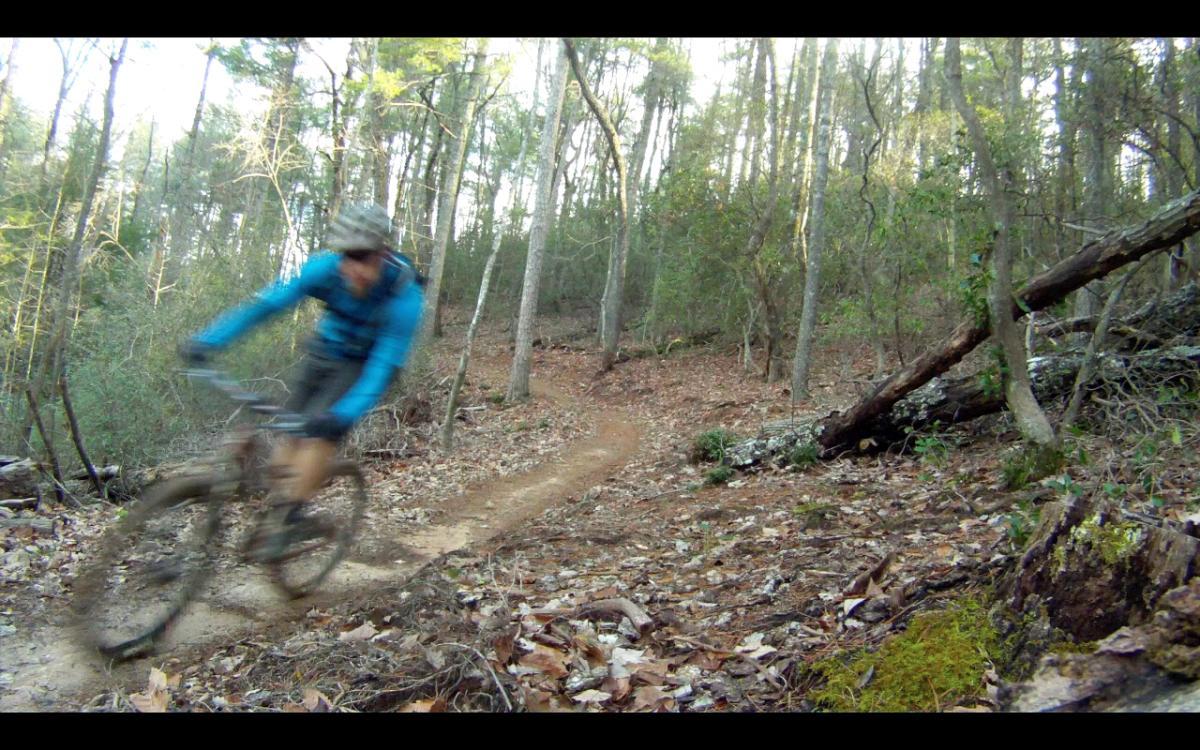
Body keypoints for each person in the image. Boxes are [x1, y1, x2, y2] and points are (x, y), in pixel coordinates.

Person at [181, 203, 424, 559]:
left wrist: (343, 414)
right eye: (345, 256)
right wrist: (208, 341)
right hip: (324, 352)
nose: (350, 267)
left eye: (361, 257)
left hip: (363, 366)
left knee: (320, 433)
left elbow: (383, 366)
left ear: (382, 255)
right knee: (289, 433)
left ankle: (290, 517)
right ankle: (281, 507)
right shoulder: (325, 270)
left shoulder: (404, 298)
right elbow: (267, 306)